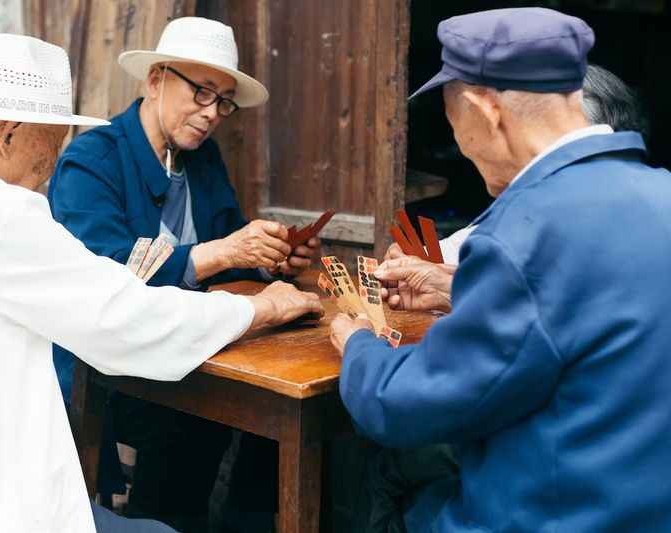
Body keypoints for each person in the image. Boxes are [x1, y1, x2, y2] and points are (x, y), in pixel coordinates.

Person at [0, 34, 322, 533]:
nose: (48, 169)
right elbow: (122, 316)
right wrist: (262, 310)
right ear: (8, 133)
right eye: (51, 144)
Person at [331, 7, 671, 532]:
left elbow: (403, 405)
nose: (459, 147)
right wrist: (456, 290)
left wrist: (356, 342)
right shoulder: (659, 194)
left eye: (450, 120)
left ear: (483, 109)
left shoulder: (524, 230)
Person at [48, 17, 313, 530]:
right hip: (112, 362)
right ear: (155, 80)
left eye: (224, 102)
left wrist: (269, 254)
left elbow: (229, 235)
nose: (212, 114)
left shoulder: (202, 157)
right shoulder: (91, 160)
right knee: (191, 424)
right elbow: (105, 268)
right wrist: (221, 252)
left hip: (194, 347)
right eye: (202, 93)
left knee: (276, 424)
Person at [379, 64, 653, 315]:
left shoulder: (589, 214)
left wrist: (361, 348)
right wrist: (427, 264)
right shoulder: (534, 208)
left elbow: (552, 322)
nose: (465, 144)